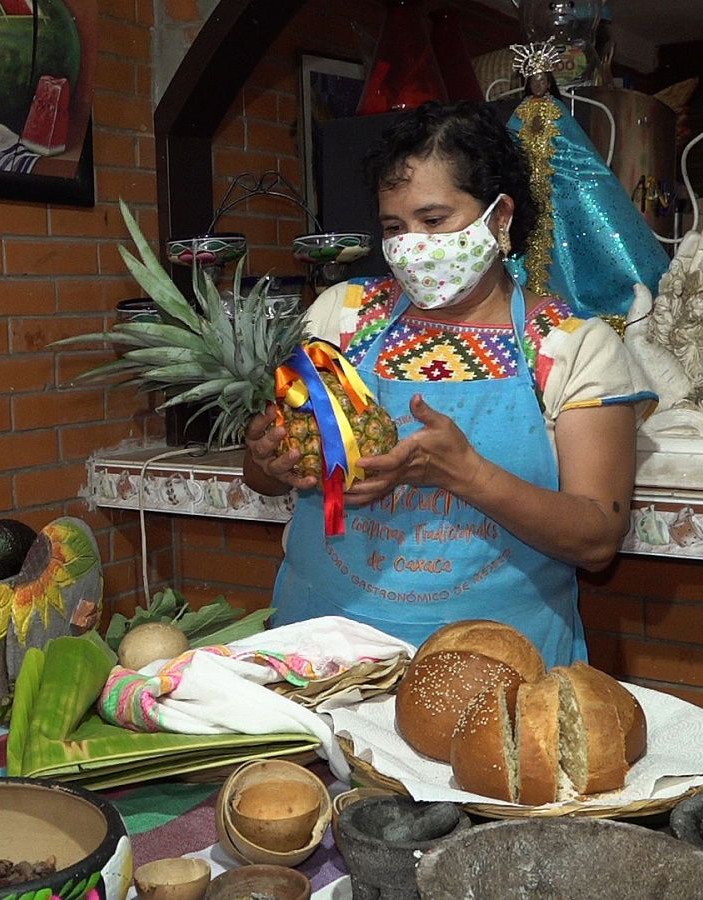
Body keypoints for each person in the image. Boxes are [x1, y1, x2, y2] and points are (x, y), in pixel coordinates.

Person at [242, 100, 655, 666]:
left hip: (496, 665)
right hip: (319, 648)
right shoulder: (340, 315)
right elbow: (265, 476)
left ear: (500, 217)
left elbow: (596, 538)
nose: (412, 244)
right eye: (394, 226)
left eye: (433, 221)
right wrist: (269, 461)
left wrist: (466, 474)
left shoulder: (571, 346)